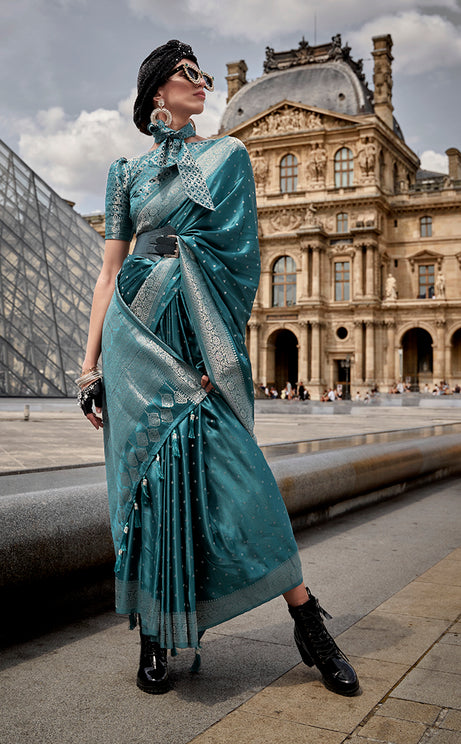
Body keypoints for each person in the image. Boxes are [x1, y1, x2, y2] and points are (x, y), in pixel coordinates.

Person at [77, 40, 359, 698]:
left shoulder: (226, 155)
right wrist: (88, 367)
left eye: (204, 75)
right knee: (140, 489)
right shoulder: (125, 171)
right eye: (187, 74)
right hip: (130, 339)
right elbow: (108, 272)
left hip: (190, 336)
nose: (201, 83)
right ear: (155, 90)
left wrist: (214, 354)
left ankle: (308, 622)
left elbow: (235, 267)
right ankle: (153, 633)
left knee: (244, 481)